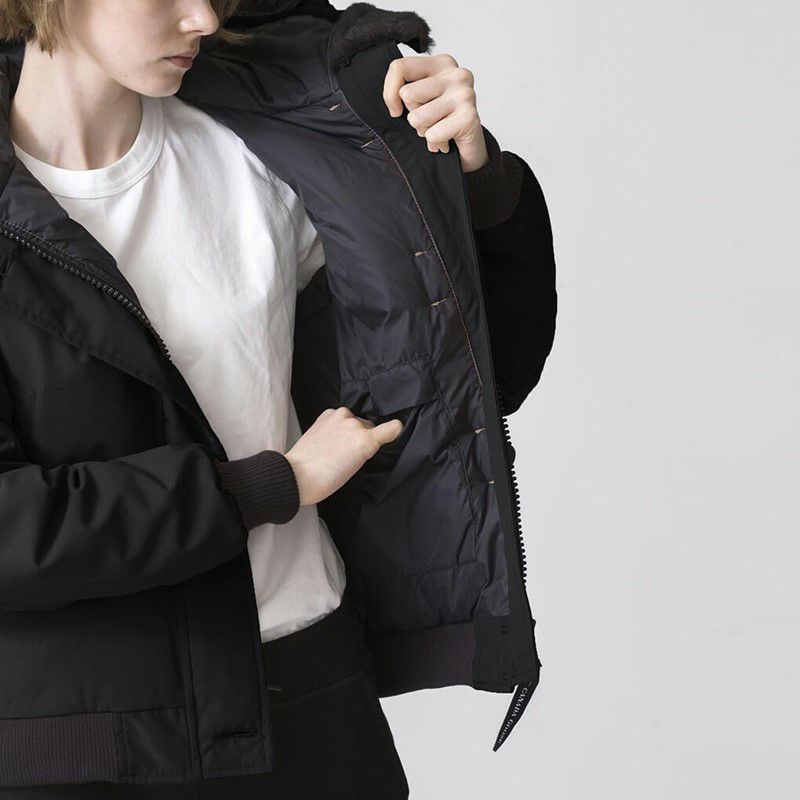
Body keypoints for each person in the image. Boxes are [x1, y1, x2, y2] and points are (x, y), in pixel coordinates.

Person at [0, 1, 545, 798]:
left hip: (310, 689)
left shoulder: (268, 149)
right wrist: (270, 485)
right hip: (84, 740)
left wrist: (473, 180)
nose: (202, 17)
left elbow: (471, 378)